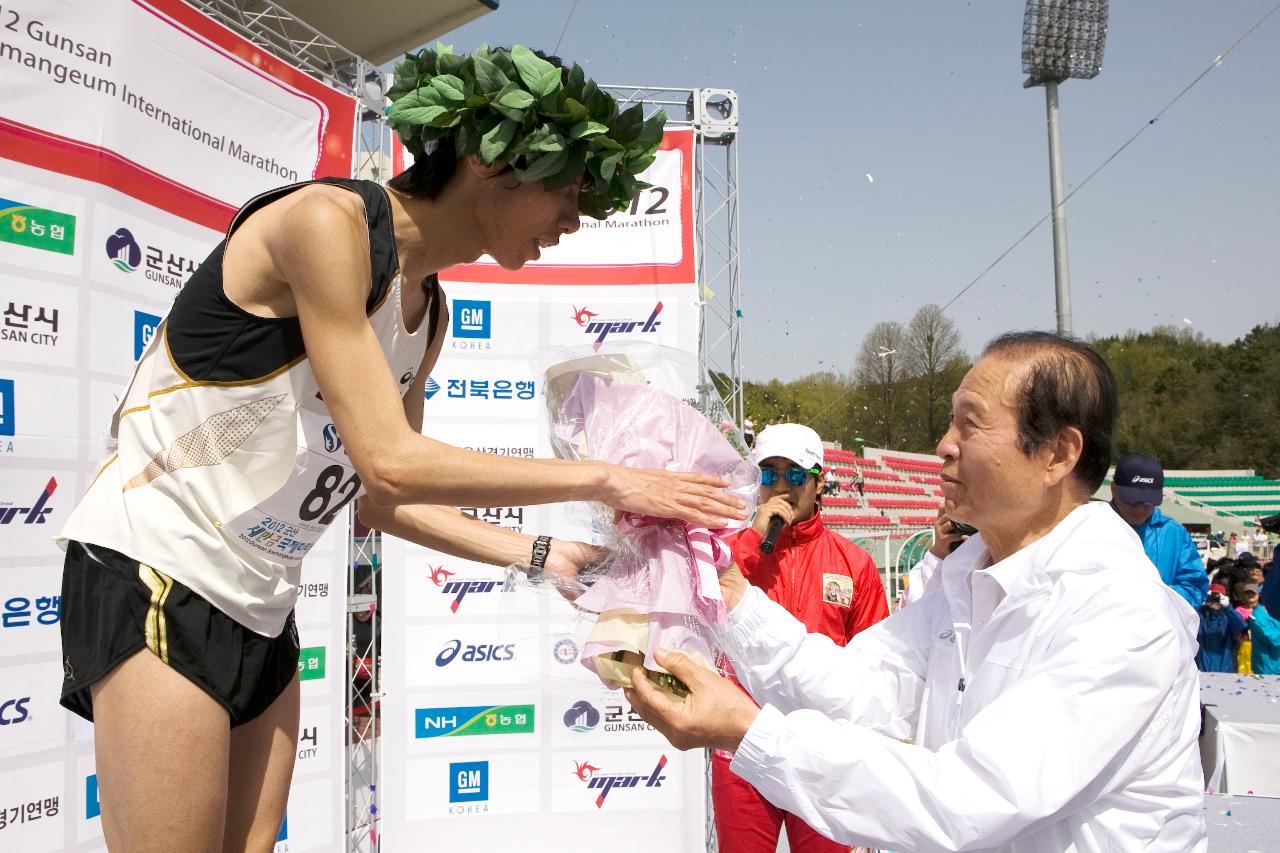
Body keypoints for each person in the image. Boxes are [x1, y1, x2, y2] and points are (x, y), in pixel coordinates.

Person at [54, 46, 744, 853]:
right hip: (158, 564)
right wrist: (609, 476)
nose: (575, 221)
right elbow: (387, 457)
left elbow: (380, 499)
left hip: (262, 601)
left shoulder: (432, 310)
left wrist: (544, 552)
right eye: (569, 190)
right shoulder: (327, 223)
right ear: (493, 160)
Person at [624, 331, 1207, 852]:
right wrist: (728, 594)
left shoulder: (1120, 615)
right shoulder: (965, 577)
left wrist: (749, 730)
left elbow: (970, 801)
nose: (943, 444)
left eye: (970, 424)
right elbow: (863, 688)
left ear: (1057, 454)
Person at [714, 423, 888, 853]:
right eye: (768, 473)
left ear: (819, 481)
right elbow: (704, 606)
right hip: (743, 744)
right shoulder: (727, 554)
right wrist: (753, 540)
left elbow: (876, 668)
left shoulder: (855, 563)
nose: (781, 487)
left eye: (794, 475)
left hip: (823, 754)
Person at [1108, 454, 1209, 610]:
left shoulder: (1174, 534)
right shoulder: (1089, 525)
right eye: (1132, 500)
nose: (1140, 508)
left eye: (1148, 503)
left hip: (1156, 629)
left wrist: (1154, 598)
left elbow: (1195, 587)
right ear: (1114, 489)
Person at [1196, 583, 1245, 672]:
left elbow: (1242, 626)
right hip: (1202, 667)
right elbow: (1188, 621)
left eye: (1217, 596)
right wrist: (1200, 602)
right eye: (1212, 596)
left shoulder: (1228, 617)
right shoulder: (1200, 616)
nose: (1215, 600)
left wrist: (1228, 607)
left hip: (1225, 668)